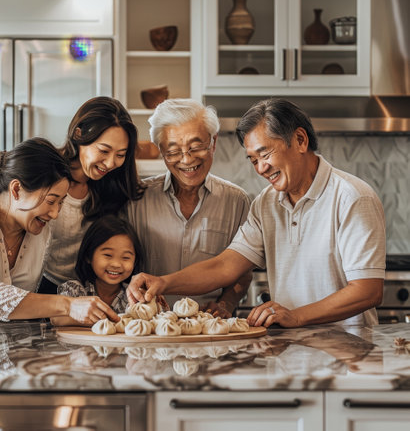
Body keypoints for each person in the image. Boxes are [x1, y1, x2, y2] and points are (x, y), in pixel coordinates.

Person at [127, 98, 386, 328]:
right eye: (253, 159)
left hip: (348, 351)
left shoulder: (351, 196)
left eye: (265, 154)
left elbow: (368, 291)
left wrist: (296, 316)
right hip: (291, 348)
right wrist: (163, 282)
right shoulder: (266, 203)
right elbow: (227, 265)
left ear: (300, 140)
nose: (261, 168)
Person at [0, 137, 118, 324]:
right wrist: (69, 305)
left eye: (60, 203)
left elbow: (26, 306)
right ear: (16, 189)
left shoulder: (41, 233)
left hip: (4, 344)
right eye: (51, 201)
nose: (55, 213)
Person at [126, 98, 252, 318]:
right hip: (150, 328)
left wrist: (225, 304)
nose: (186, 159)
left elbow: (242, 273)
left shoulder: (236, 201)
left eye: (196, 147)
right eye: (173, 152)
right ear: (160, 151)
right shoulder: (136, 199)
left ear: (213, 142)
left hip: (209, 328)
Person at [40, 96, 145, 294]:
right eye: (104, 150)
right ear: (78, 135)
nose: (111, 163)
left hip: (87, 291)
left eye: (121, 155)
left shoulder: (113, 187)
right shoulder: (45, 178)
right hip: (40, 285)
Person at [51, 215, 145, 326]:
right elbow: (56, 319)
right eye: (108, 255)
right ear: (88, 256)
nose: (116, 264)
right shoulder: (74, 290)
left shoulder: (134, 296)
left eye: (125, 258)